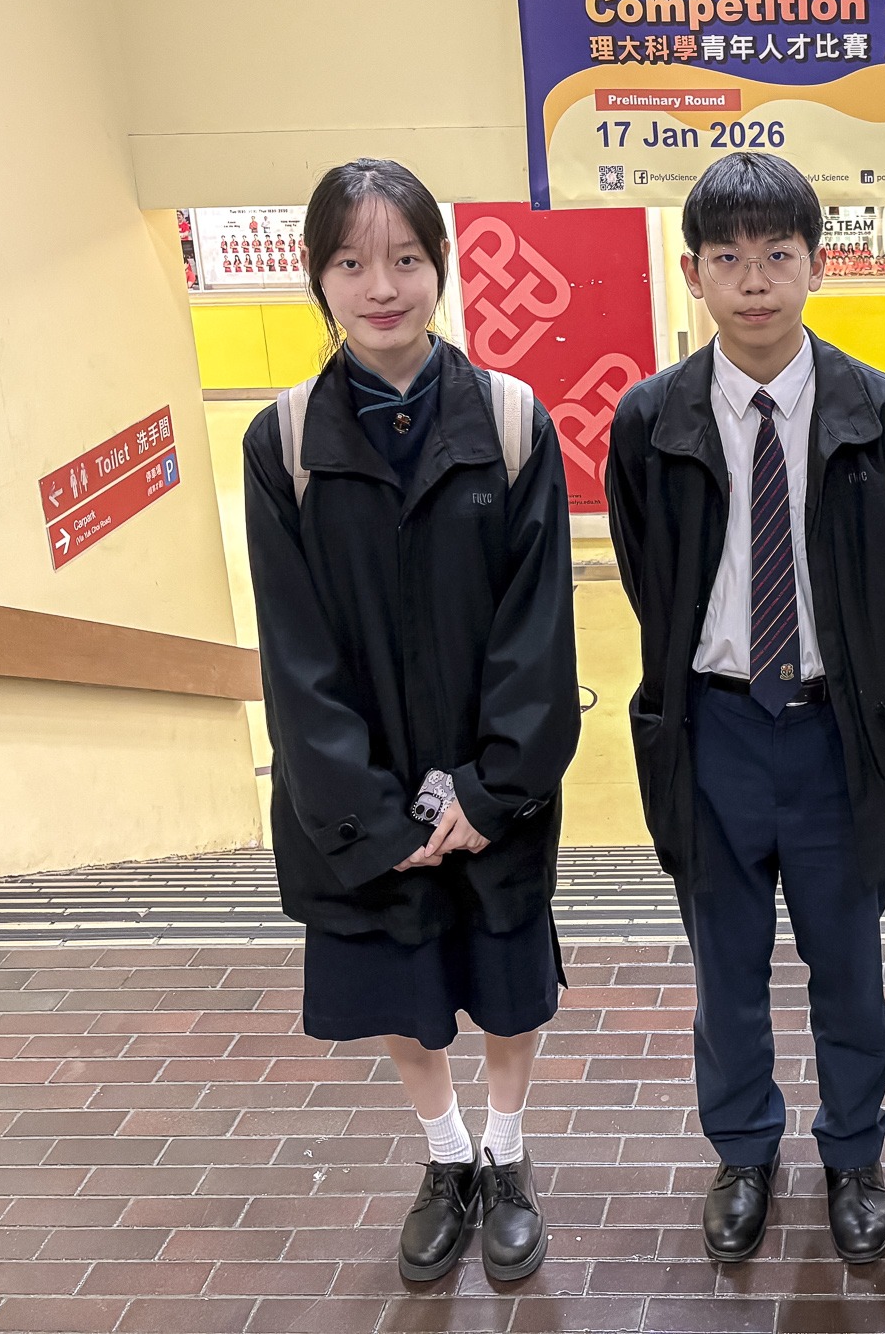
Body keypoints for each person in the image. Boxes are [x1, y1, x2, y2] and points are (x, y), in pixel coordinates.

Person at [244, 159, 580, 1287]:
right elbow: (293, 652)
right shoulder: (284, 442)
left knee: (506, 977)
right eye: (351, 262)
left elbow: (539, 630)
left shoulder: (512, 422)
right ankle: (445, 1158)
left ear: (441, 267)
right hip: (366, 797)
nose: (380, 286)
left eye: (404, 259)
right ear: (317, 277)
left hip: (490, 787)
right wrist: (372, 816)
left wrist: (492, 791)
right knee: (402, 982)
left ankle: (508, 1153)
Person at [606, 152, 885, 1266]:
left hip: (840, 734)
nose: (755, 281)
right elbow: (649, 578)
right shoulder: (651, 420)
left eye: (778, 254)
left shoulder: (879, 413)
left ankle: (854, 1154)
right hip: (715, 729)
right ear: (692, 271)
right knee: (726, 971)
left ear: (816, 265)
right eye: (729, 257)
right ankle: (744, 1152)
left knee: (848, 969)